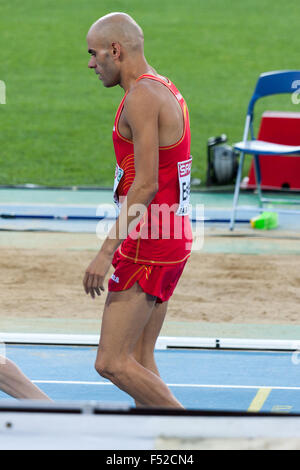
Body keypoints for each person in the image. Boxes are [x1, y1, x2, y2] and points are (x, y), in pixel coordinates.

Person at [84, 12, 193, 408]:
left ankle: (199, 436)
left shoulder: (142, 98)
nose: (91, 64)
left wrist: (104, 252)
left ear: (116, 50)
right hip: (172, 235)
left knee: (111, 362)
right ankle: (167, 444)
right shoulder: (161, 87)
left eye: (95, 54)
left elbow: (146, 184)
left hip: (149, 242)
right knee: (140, 361)